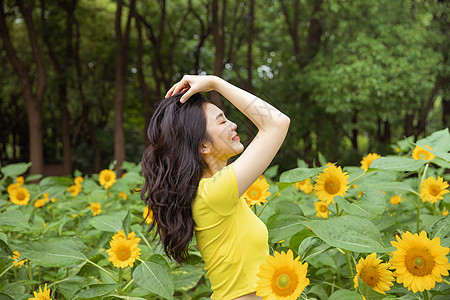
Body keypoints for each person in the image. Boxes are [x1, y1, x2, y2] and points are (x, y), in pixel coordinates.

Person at [141, 75, 290, 299]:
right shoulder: (215, 193)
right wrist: (215, 83)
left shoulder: (213, 193)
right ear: (203, 146)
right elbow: (277, 123)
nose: (233, 124)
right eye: (222, 121)